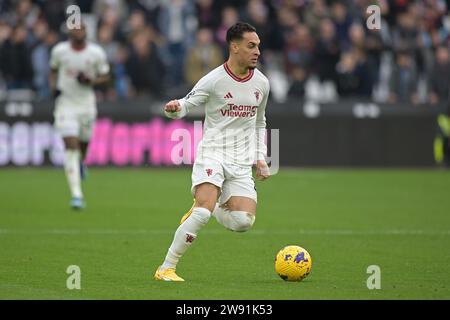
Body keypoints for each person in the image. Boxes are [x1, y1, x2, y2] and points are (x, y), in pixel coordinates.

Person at [154, 22, 271, 281]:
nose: (257, 52)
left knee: (243, 222)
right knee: (202, 212)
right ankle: (166, 268)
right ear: (235, 46)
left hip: (241, 162)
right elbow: (187, 103)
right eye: (251, 46)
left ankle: (212, 203)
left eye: (258, 47)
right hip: (214, 153)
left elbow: (260, 122)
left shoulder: (261, 83)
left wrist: (260, 158)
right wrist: (174, 109)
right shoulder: (214, 79)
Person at [49, 23, 110, 209]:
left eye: (81, 29)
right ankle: (77, 195)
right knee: (71, 145)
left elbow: (106, 76)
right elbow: (53, 70)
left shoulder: (96, 53)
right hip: (65, 104)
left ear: (86, 31)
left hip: (86, 105)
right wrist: (53, 87)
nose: (78, 32)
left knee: (83, 144)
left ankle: (81, 163)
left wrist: (91, 80)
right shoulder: (59, 51)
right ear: (69, 32)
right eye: (74, 29)